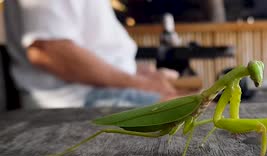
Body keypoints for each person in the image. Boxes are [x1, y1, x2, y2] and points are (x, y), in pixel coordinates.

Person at [4, 0, 181, 108]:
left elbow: (92, 46)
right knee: (198, 114)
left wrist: (134, 71)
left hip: (103, 89)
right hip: (78, 99)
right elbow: (48, 51)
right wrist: (142, 84)